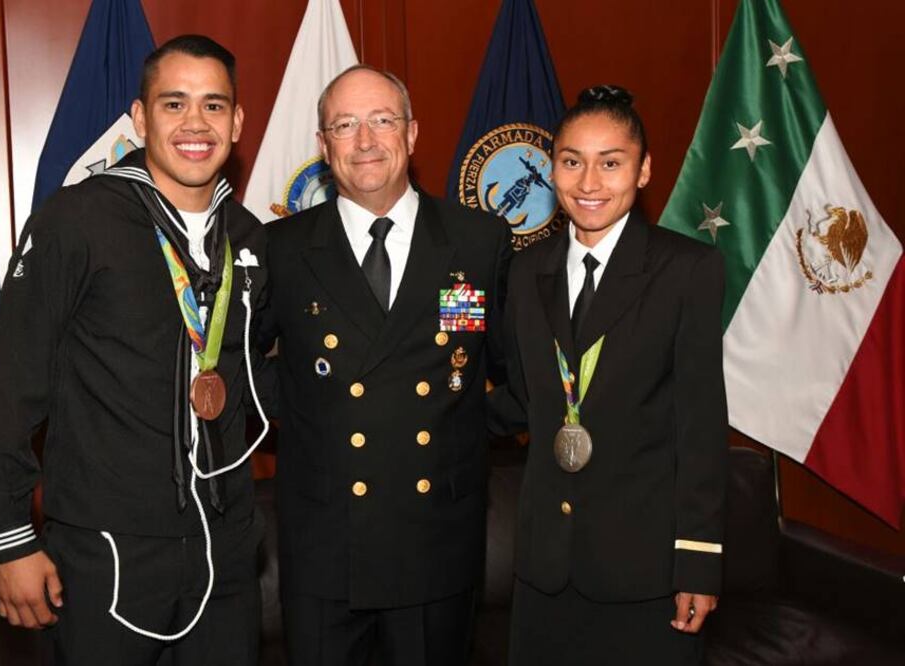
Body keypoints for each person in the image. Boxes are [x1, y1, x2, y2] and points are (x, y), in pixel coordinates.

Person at [0, 35, 269, 665]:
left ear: (237, 122)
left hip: (227, 553)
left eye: (214, 106)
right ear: (139, 118)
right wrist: (11, 540)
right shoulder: (76, 220)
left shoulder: (249, 238)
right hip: (109, 557)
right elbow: (10, 389)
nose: (195, 124)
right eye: (174, 104)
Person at [256, 64, 512, 666]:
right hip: (324, 544)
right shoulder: (281, 248)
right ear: (323, 147)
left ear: (413, 133)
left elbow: (518, 378)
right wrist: (311, 422)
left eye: (381, 121)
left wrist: (460, 433)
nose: (365, 141)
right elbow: (241, 369)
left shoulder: (479, 240)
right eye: (345, 125)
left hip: (435, 540)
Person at [491, 85, 727, 665]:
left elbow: (699, 426)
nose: (589, 182)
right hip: (545, 567)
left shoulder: (687, 271)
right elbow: (524, 399)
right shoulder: (526, 271)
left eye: (611, 162)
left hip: (645, 571)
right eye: (572, 162)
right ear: (551, 170)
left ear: (644, 170)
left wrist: (697, 561)